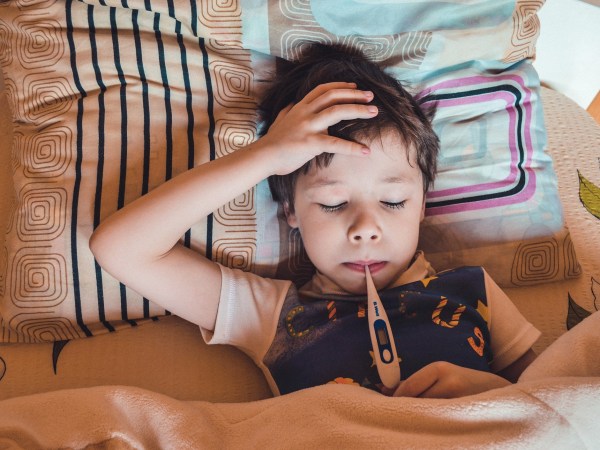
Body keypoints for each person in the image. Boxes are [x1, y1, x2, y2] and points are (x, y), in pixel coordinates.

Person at [89, 44, 539, 398]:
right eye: (332, 204)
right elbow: (121, 249)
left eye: (394, 201)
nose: (366, 227)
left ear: (424, 203)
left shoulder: (473, 290)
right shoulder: (272, 315)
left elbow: (556, 404)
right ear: (291, 212)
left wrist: (495, 394)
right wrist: (266, 156)